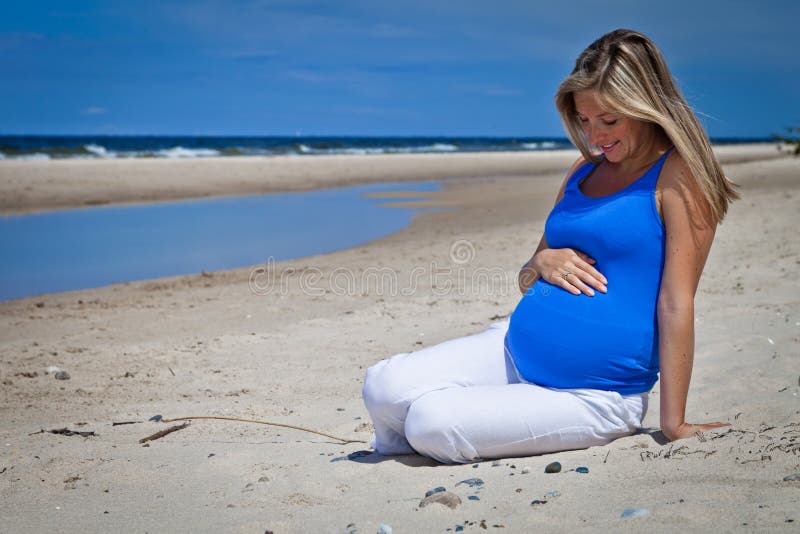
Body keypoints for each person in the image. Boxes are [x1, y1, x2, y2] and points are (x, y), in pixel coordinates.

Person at [362, 28, 740, 464]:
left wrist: (674, 423)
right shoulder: (583, 170)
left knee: (432, 421)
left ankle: (452, 426)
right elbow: (527, 277)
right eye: (584, 120)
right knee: (382, 386)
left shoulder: (680, 175)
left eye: (610, 120)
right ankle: (479, 415)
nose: (595, 135)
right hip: (512, 347)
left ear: (646, 105)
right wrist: (542, 258)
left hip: (595, 392)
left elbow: (677, 301)